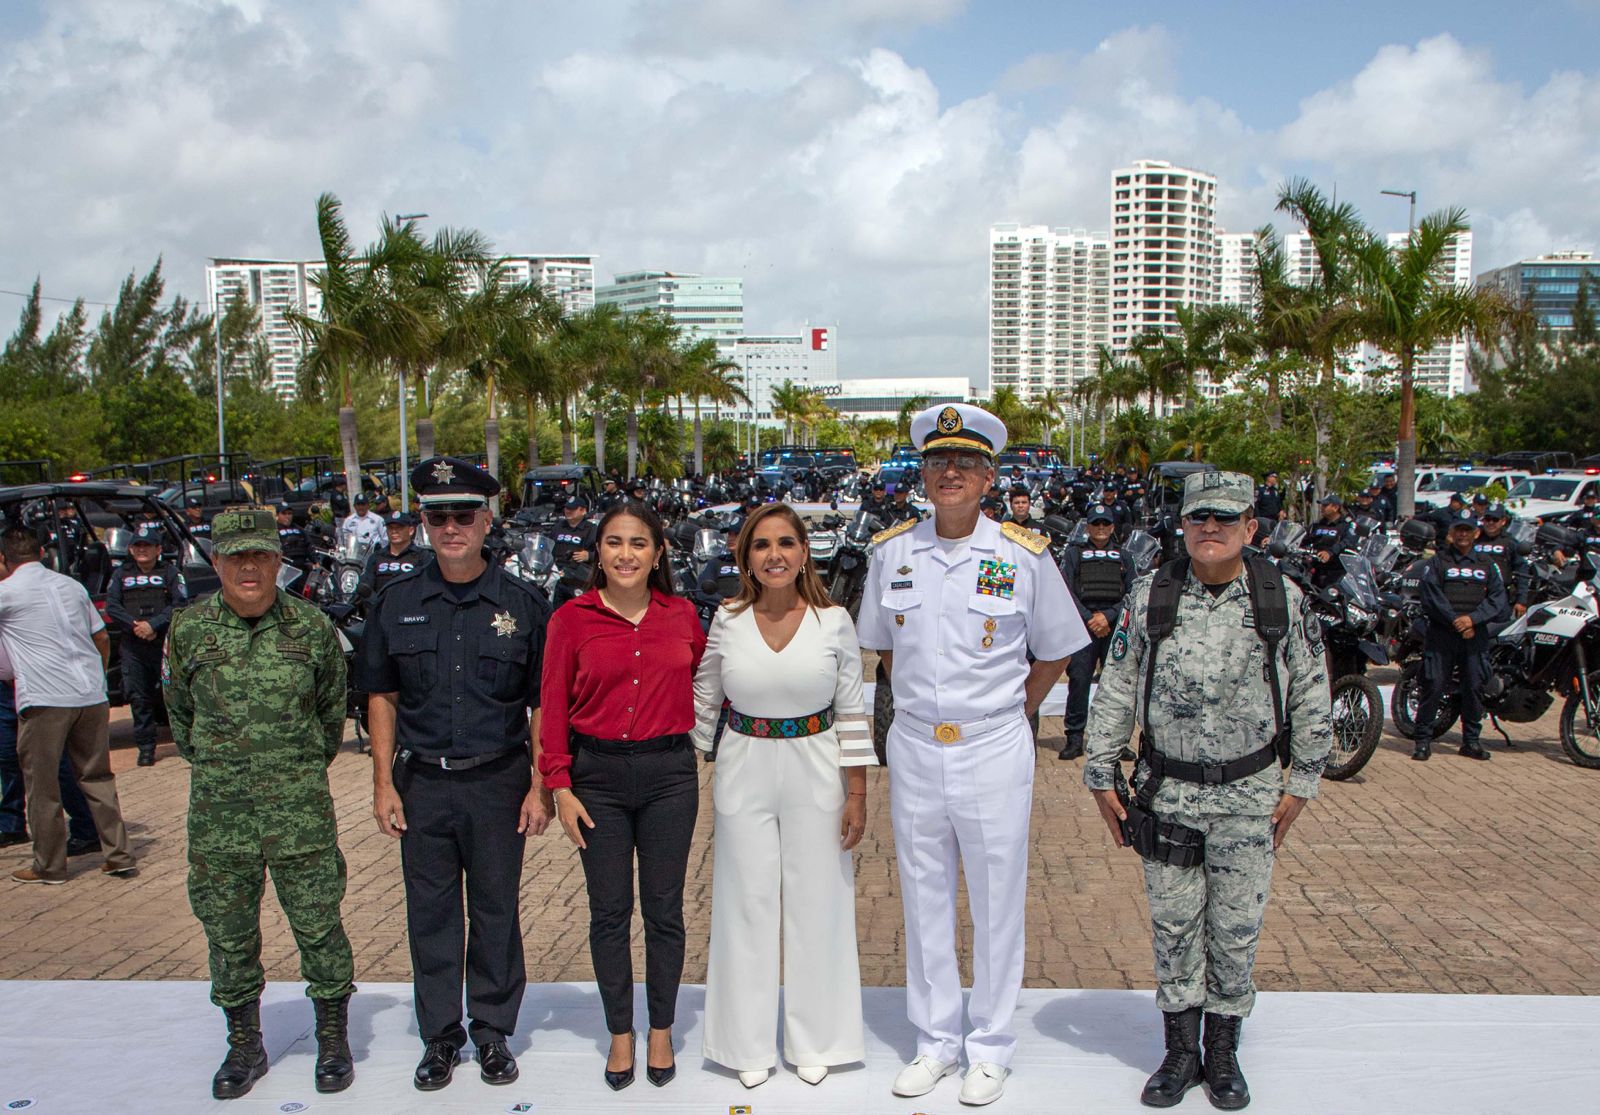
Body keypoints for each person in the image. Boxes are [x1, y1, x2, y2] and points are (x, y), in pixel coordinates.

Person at [857, 403, 1088, 1107]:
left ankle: (988, 1046)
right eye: (936, 463)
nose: (948, 473)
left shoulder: (1023, 553)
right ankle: (934, 1042)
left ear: (989, 476)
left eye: (964, 463)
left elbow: (1056, 649)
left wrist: (1013, 709)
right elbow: (886, 649)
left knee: (995, 897)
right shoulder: (890, 552)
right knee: (923, 894)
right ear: (921, 475)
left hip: (993, 743)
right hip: (920, 744)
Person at [1083, 470, 1332, 1110]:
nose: (1211, 528)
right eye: (1200, 518)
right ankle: (1179, 1052)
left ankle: (1222, 1054)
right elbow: (1114, 687)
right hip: (1166, 793)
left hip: (1250, 794)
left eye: (1226, 518)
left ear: (1252, 527)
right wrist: (1101, 774)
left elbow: (1310, 690)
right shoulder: (1152, 596)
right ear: (1183, 525)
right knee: (1173, 927)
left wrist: (1302, 782)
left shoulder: (1282, 598)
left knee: (1236, 928)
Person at [359, 457, 552, 1092]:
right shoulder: (396, 601)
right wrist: (384, 782)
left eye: (463, 514)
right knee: (432, 914)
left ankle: (492, 1031)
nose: (451, 526)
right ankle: (440, 1036)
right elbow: (381, 695)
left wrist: (538, 785)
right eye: (437, 515)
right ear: (422, 522)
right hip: (424, 783)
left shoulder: (524, 604)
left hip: (498, 781)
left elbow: (541, 704)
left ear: (486, 520)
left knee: (496, 909)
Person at [163, 509, 355, 1100]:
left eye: (261, 556)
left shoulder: (312, 629)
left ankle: (332, 1038)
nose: (249, 568)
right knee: (228, 933)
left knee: (320, 926)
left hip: (299, 814)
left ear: (278, 561)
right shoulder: (190, 631)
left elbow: (330, 719)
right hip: (222, 819)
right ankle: (244, 1044)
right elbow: (181, 721)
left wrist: (288, 771)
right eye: (236, 557)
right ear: (216, 562)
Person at [693, 503, 876, 1090]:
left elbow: (851, 708)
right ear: (745, 555)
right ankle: (744, 1043)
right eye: (761, 545)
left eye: (786, 544)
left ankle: (817, 1039)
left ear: (804, 554)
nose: (774, 555)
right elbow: (705, 691)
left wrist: (857, 792)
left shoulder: (834, 622)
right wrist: (680, 753)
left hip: (817, 763)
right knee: (745, 903)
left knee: (818, 902)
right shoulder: (727, 619)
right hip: (745, 761)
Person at [540, 501, 705, 1091]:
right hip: (597, 781)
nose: (626, 554)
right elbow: (553, 707)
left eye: (639, 543)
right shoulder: (571, 619)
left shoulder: (683, 615)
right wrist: (559, 785)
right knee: (609, 913)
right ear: (598, 552)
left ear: (658, 553)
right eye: (614, 543)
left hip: (668, 776)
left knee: (663, 911)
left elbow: (710, 687)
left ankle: (660, 1028)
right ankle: (619, 1033)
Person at [0, 526, 136, 884]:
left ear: (5, 560)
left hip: (45, 698)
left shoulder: (6, 593)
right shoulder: (71, 586)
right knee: (97, 777)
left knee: (42, 786)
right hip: (90, 694)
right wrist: (99, 678)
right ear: (43, 553)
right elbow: (102, 636)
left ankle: (50, 865)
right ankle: (119, 855)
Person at [1411, 509, 1508, 762]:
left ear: (1476, 533)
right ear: (1452, 534)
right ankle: (1422, 741)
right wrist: (1456, 620)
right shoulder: (1438, 562)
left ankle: (1471, 741)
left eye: (1468, 530)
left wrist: (1473, 620)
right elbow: (1430, 595)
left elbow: (1498, 599)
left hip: (1474, 636)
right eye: (1459, 530)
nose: (1463, 534)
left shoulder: (1487, 564)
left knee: (1474, 688)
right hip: (1443, 634)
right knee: (1433, 686)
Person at [0, 635, 100, 854]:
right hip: (6, 689)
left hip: (39, 684)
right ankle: (11, 824)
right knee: (7, 757)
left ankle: (86, 828)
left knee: (55, 763)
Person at [1058, 504, 1135, 761]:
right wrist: (1090, 618)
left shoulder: (1124, 557)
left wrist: (1109, 616)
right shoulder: (1074, 554)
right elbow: (1065, 589)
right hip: (1084, 625)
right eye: (1096, 524)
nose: (1100, 529)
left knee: (1116, 686)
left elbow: (1133, 593)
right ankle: (1075, 738)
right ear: (1088, 527)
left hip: (1114, 626)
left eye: (1105, 524)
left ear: (1112, 527)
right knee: (1079, 680)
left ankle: (1116, 741)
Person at [105, 521, 184, 766]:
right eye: (137, 546)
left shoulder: (170, 573)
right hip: (134, 646)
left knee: (174, 694)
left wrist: (154, 625)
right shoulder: (120, 575)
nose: (142, 550)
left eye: (147, 546)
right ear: (130, 549)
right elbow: (112, 607)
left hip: (163, 643)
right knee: (139, 698)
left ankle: (184, 741)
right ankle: (146, 748)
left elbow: (180, 604)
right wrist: (136, 626)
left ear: (158, 549)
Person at [1472, 504, 1529, 621]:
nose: (1490, 523)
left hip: (1498, 595)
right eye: (1487, 519)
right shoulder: (1473, 539)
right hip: (1474, 594)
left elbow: (1522, 571)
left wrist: (1521, 600)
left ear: (1503, 521)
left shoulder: (1510, 542)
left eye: (1495, 519)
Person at [356, 511, 430, 599]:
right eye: (390, 528)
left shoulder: (422, 556)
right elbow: (366, 587)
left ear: (411, 530)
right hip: (380, 607)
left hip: (411, 608)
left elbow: (428, 586)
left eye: (399, 528)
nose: (394, 531)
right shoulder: (376, 557)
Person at [1307, 495, 1355, 588]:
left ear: (1335, 507)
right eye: (1322, 505)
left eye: (1325, 505)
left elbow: (1347, 542)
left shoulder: (1346, 525)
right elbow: (1307, 539)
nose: (1322, 508)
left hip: (1335, 571)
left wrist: (1330, 552)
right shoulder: (1318, 524)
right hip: (1317, 567)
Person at [551, 495, 597, 566]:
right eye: (567, 508)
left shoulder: (591, 529)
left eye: (572, 509)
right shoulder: (558, 527)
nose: (568, 511)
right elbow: (548, 547)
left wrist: (589, 556)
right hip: (556, 568)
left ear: (583, 511)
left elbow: (603, 553)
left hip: (579, 570)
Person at [275, 502, 312, 569]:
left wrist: (315, 561)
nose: (287, 516)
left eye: (289, 513)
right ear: (277, 515)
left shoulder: (299, 529)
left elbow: (309, 545)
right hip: (285, 565)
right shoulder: (274, 529)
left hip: (302, 564)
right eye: (284, 513)